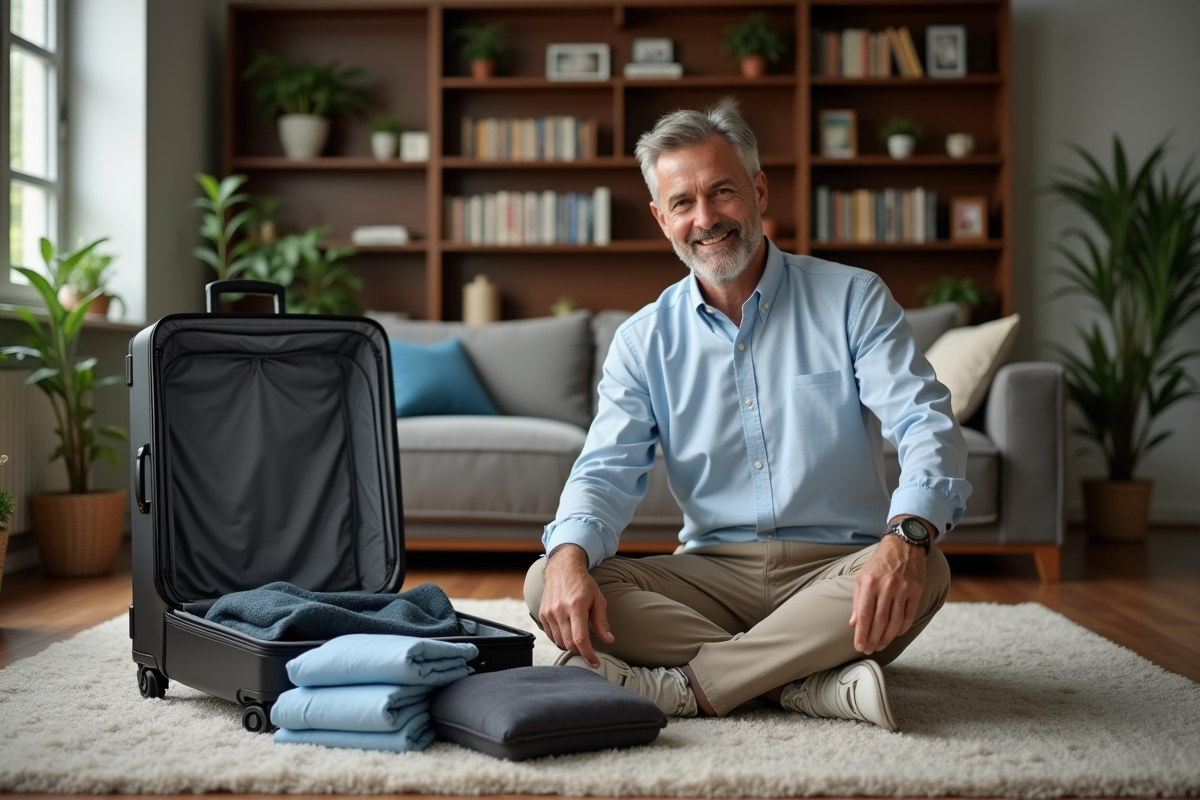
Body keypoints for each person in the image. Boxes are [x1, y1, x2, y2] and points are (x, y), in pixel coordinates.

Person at [523, 98, 970, 731]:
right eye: (682, 203)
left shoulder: (852, 299)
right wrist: (569, 553)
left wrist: (906, 536)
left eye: (722, 192)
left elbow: (925, 422)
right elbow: (605, 469)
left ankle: (693, 687)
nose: (705, 219)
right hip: (710, 574)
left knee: (924, 567)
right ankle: (802, 683)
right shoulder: (642, 340)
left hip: (835, 571)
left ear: (758, 189)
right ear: (661, 218)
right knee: (549, 580)